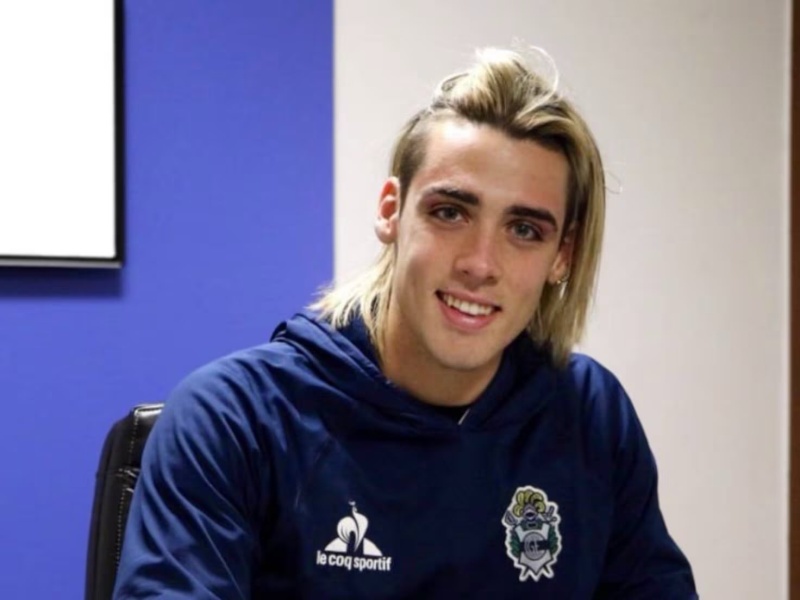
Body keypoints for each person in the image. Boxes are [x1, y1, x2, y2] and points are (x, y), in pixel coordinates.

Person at [113, 47, 698, 599]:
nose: (480, 264)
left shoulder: (590, 416)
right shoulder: (232, 420)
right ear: (391, 211)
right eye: (450, 212)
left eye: (524, 230)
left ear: (562, 256)